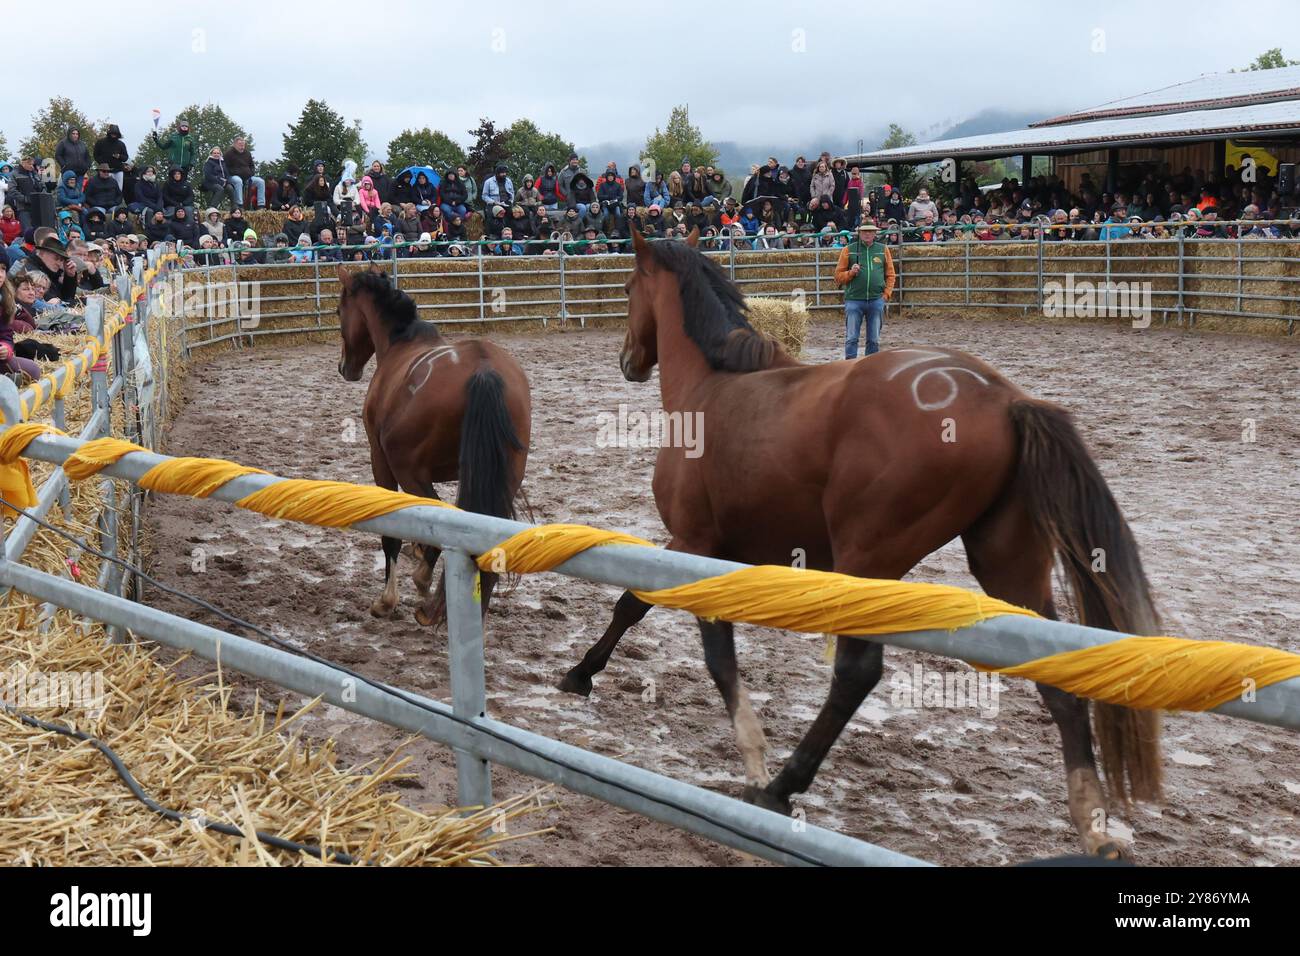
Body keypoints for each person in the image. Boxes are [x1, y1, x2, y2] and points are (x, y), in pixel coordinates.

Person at [835, 219, 894, 359]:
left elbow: (890, 274)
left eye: (870, 231)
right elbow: (838, 277)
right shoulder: (848, 250)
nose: (867, 234)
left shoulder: (883, 249)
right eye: (864, 231)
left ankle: (870, 367)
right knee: (851, 338)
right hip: (854, 300)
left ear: (875, 233)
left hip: (876, 300)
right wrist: (850, 273)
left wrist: (886, 294)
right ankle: (850, 367)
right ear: (859, 233)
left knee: (873, 340)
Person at [224, 136, 265, 209]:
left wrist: (251, 173)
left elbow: (252, 165)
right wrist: (236, 172)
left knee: (260, 181)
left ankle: (261, 205)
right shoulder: (229, 153)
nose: (242, 147)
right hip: (233, 177)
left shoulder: (247, 153)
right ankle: (240, 204)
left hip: (247, 177)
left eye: (243, 145)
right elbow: (225, 167)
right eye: (240, 145)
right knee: (238, 181)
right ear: (235, 144)